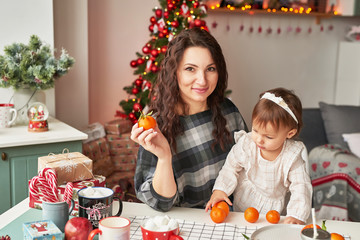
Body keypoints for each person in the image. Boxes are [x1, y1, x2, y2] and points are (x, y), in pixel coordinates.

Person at [130, 28, 248, 212]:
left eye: (210, 69)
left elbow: (251, 167)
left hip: (234, 217)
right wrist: (164, 157)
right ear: (174, 72)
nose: (202, 80)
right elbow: (161, 203)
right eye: (190, 69)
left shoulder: (228, 111)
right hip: (186, 226)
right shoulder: (156, 127)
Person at [205, 88, 312, 224]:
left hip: (274, 213)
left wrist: (297, 215)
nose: (259, 140)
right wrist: (220, 190)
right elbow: (230, 168)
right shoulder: (247, 144)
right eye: (255, 130)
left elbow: (301, 185)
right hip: (243, 206)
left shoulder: (291, 156)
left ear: (289, 134)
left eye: (268, 136)